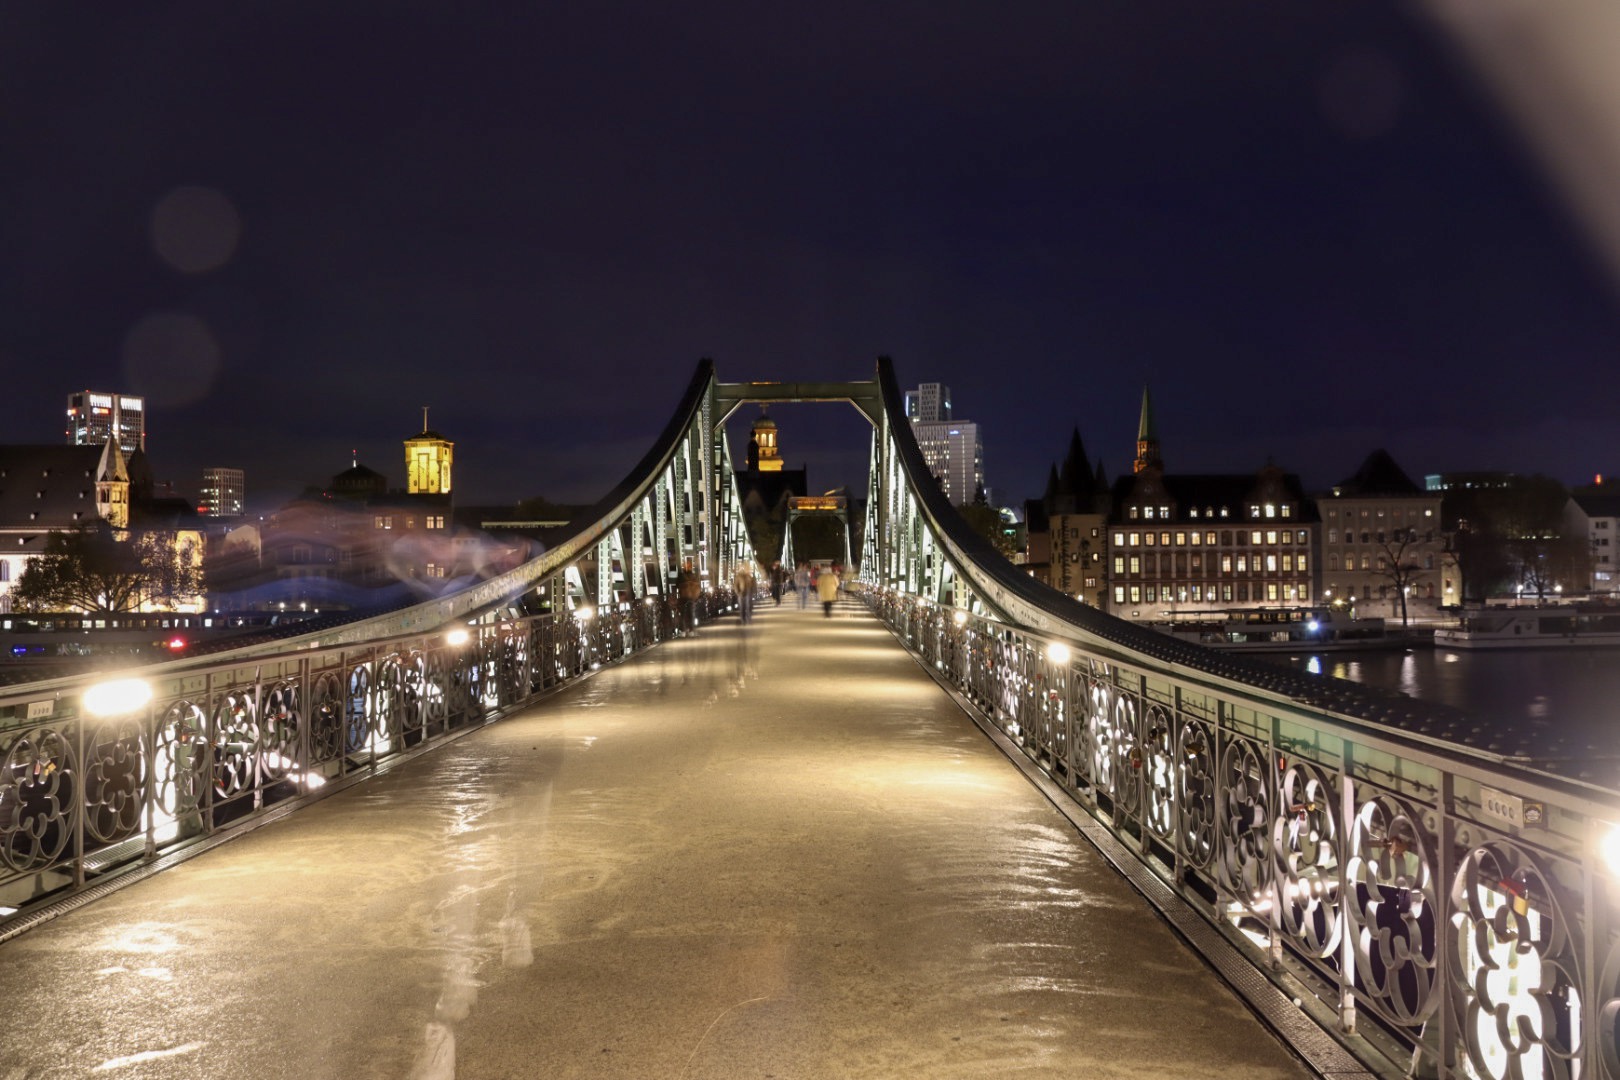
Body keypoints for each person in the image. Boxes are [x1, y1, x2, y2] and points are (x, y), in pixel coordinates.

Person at [678, 558, 702, 635]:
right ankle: (690, 630)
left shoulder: (681, 576)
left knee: (683, 614)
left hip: (683, 597)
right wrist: (697, 596)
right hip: (692, 597)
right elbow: (698, 587)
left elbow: (677, 586)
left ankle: (683, 631)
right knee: (691, 614)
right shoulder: (693, 576)